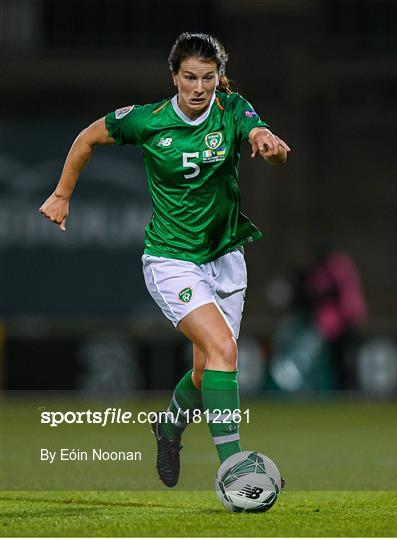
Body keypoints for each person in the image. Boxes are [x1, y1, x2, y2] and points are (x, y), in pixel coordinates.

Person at [39, 32, 290, 488]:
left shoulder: (231, 110)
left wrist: (269, 146)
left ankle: (169, 427)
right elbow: (87, 138)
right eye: (189, 77)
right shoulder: (147, 120)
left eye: (208, 78)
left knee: (205, 370)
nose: (198, 88)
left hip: (226, 258)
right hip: (172, 259)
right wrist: (61, 194)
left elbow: (260, 138)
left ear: (220, 78)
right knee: (224, 351)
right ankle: (234, 469)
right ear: (174, 76)